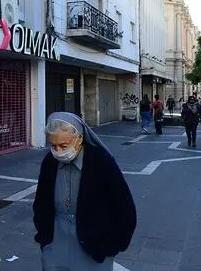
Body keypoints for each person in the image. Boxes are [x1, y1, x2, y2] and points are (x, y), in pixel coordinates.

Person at [33, 112, 137, 270]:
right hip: (55, 247)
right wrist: (44, 239)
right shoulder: (50, 162)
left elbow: (125, 209)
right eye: (53, 146)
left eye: (63, 146)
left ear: (79, 139)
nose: (58, 151)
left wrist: (112, 246)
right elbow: (41, 202)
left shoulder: (101, 162)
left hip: (93, 250)